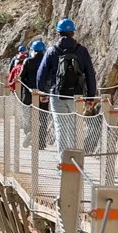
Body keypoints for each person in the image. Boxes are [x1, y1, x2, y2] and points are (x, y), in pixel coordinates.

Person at [37, 19, 100, 155]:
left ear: (58, 33)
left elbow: (41, 74)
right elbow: (90, 74)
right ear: (73, 32)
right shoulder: (82, 51)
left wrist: (42, 93)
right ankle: (73, 159)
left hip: (57, 94)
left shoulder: (52, 51)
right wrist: (90, 97)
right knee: (74, 128)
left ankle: (63, 161)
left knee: (60, 127)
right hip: (77, 96)